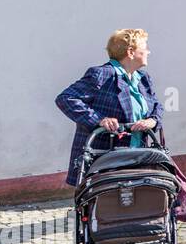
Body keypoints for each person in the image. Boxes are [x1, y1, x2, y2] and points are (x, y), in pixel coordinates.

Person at [57, 29, 164, 186]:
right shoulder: (102, 74)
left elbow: (157, 105)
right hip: (104, 158)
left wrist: (152, 121)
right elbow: (66, 98)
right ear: (131, 52)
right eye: (144, 47)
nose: (149, 51)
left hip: (138, 155)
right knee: (109, 205)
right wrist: (99, 120)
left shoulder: (143, 78)